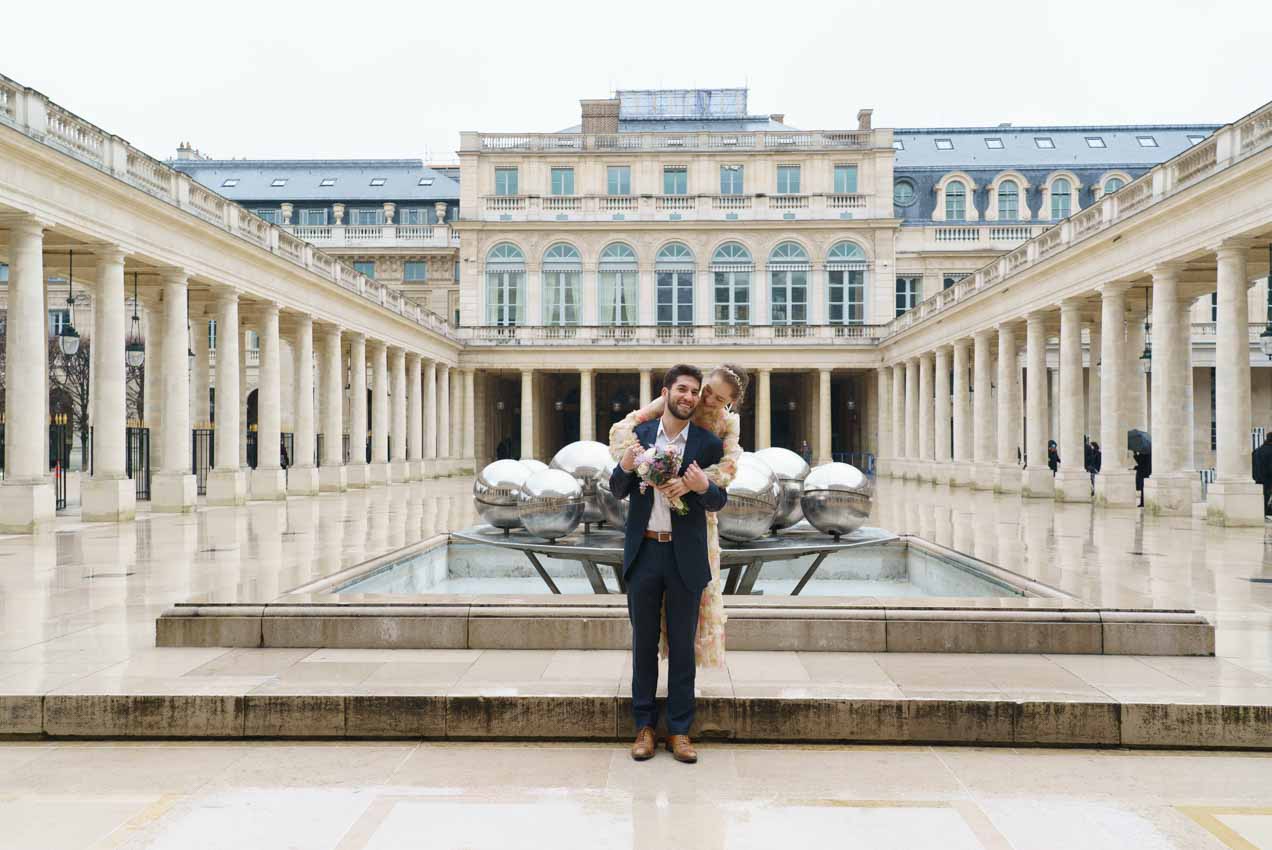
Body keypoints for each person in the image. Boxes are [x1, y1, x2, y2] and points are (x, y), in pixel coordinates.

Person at [610, 365, 727, 765]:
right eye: (682, 389)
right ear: (666, 393)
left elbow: (719, 500)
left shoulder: (708, 444)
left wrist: (701, 486)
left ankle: (679, 730)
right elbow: (617, 489)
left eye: (694, 391)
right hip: (644, 552)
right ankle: (644, 727)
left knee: (682, 646)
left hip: (685, 556)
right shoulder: (639, 437)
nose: (688, 397)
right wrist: (626, 465)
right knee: (643, 644)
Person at [610, 365, 747, 672]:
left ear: (729, 403)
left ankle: (682, 698)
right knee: (643, 639)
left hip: (690, 536)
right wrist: (632, 464)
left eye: (717, 399)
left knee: (685, 636)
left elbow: (727, 472)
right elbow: (624, 430)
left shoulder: (721, 431)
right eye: (707, 391)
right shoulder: (663, 412)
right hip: (646, 546)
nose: (706, 400)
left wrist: (694, 483)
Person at [1252, 433, 1272, 517]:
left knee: (1260, 499)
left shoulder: (1257, 451)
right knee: (1266, 498)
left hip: (1257, 479)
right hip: (1268, 480)